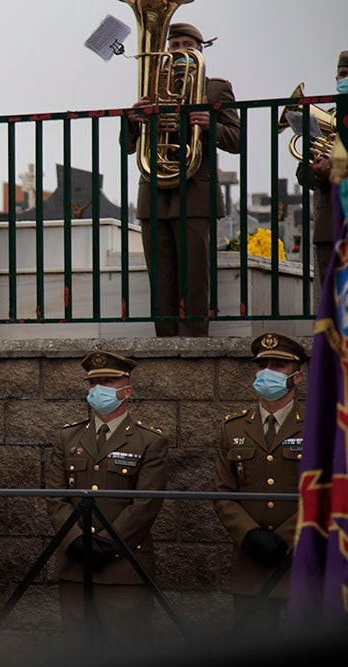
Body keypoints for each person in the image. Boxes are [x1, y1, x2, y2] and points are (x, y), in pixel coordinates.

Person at [45, 350, 168, 649]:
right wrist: (76, 541)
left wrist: (106, 543)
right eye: (94, 382)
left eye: (108, 381)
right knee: (79, 650)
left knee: (126, 649)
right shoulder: (68, 437)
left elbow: (146, 504)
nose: (99, 388)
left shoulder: (148, 440)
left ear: (127, 390)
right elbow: (56, 499)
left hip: (122, 567)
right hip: (75, 565)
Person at [127, 23, 241, 337]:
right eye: (173, 44)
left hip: (194, 192)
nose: (178, 50)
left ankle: (194, 341)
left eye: (186, 44)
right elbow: (128, 146)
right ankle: (164, 341)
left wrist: (210, 124)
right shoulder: (151, 86)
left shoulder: (217, 88)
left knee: (193, 277)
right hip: (153, 193)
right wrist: (133, 121)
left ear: (200, 51)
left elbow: (237, 140)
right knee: (160, 280)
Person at [214, 332, 307, 630]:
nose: (268, 373)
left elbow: (328, 491)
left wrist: (286, 538)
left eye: (278, 365)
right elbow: (223, 493)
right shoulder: (234, 427)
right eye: (262, 364)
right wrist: (250, 535)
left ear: (297, 378)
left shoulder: (318, 425)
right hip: (251, 562)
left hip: (302, 561)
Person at [296, 50, 348, 293]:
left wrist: (336, 167)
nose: (344, 80)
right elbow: (302, 175)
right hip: (330, 225)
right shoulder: (328, 120)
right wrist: (316, 172)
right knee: (332, 302)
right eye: (342, 74)